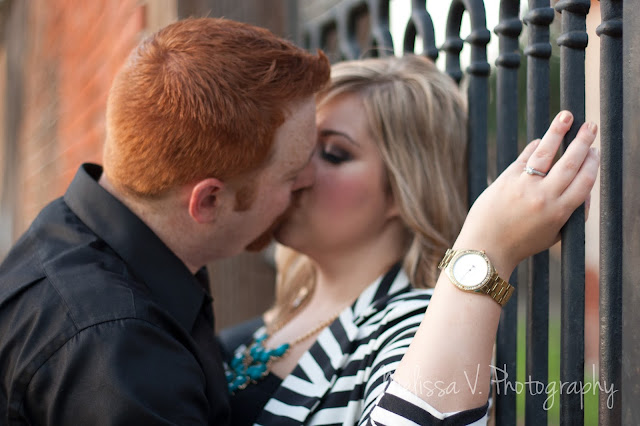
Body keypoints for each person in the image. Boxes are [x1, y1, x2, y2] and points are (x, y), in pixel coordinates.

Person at [220, 55, 599, 425]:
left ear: (404, 190)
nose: (297, 171)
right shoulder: (287, 310)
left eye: (334, 154)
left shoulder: (417, 327)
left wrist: (489, 246)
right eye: (301, 147)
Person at [0, 18, 330, 425]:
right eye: (291, 174)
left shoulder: (68, 233)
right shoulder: (121, 351)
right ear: (208, 201)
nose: (311, 179)